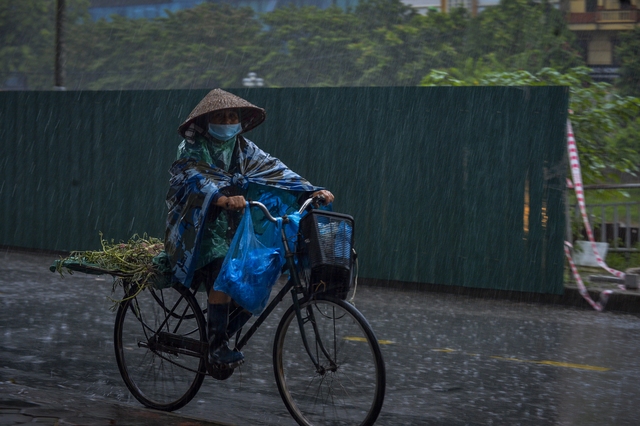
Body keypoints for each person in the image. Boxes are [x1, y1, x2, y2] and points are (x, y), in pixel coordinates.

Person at [164, 89, 333, 368]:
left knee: (260, 271)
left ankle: (221, 331)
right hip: (199, 229)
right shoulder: (194, 147)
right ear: (207, 122)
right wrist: (220, 198)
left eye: (232, 116)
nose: (228, 121)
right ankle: (216, 347)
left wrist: (310, 191)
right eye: (221, 116)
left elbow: (276, 170)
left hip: (236, 227)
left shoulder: (245, 148)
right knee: (222, 269)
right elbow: (191, 176)